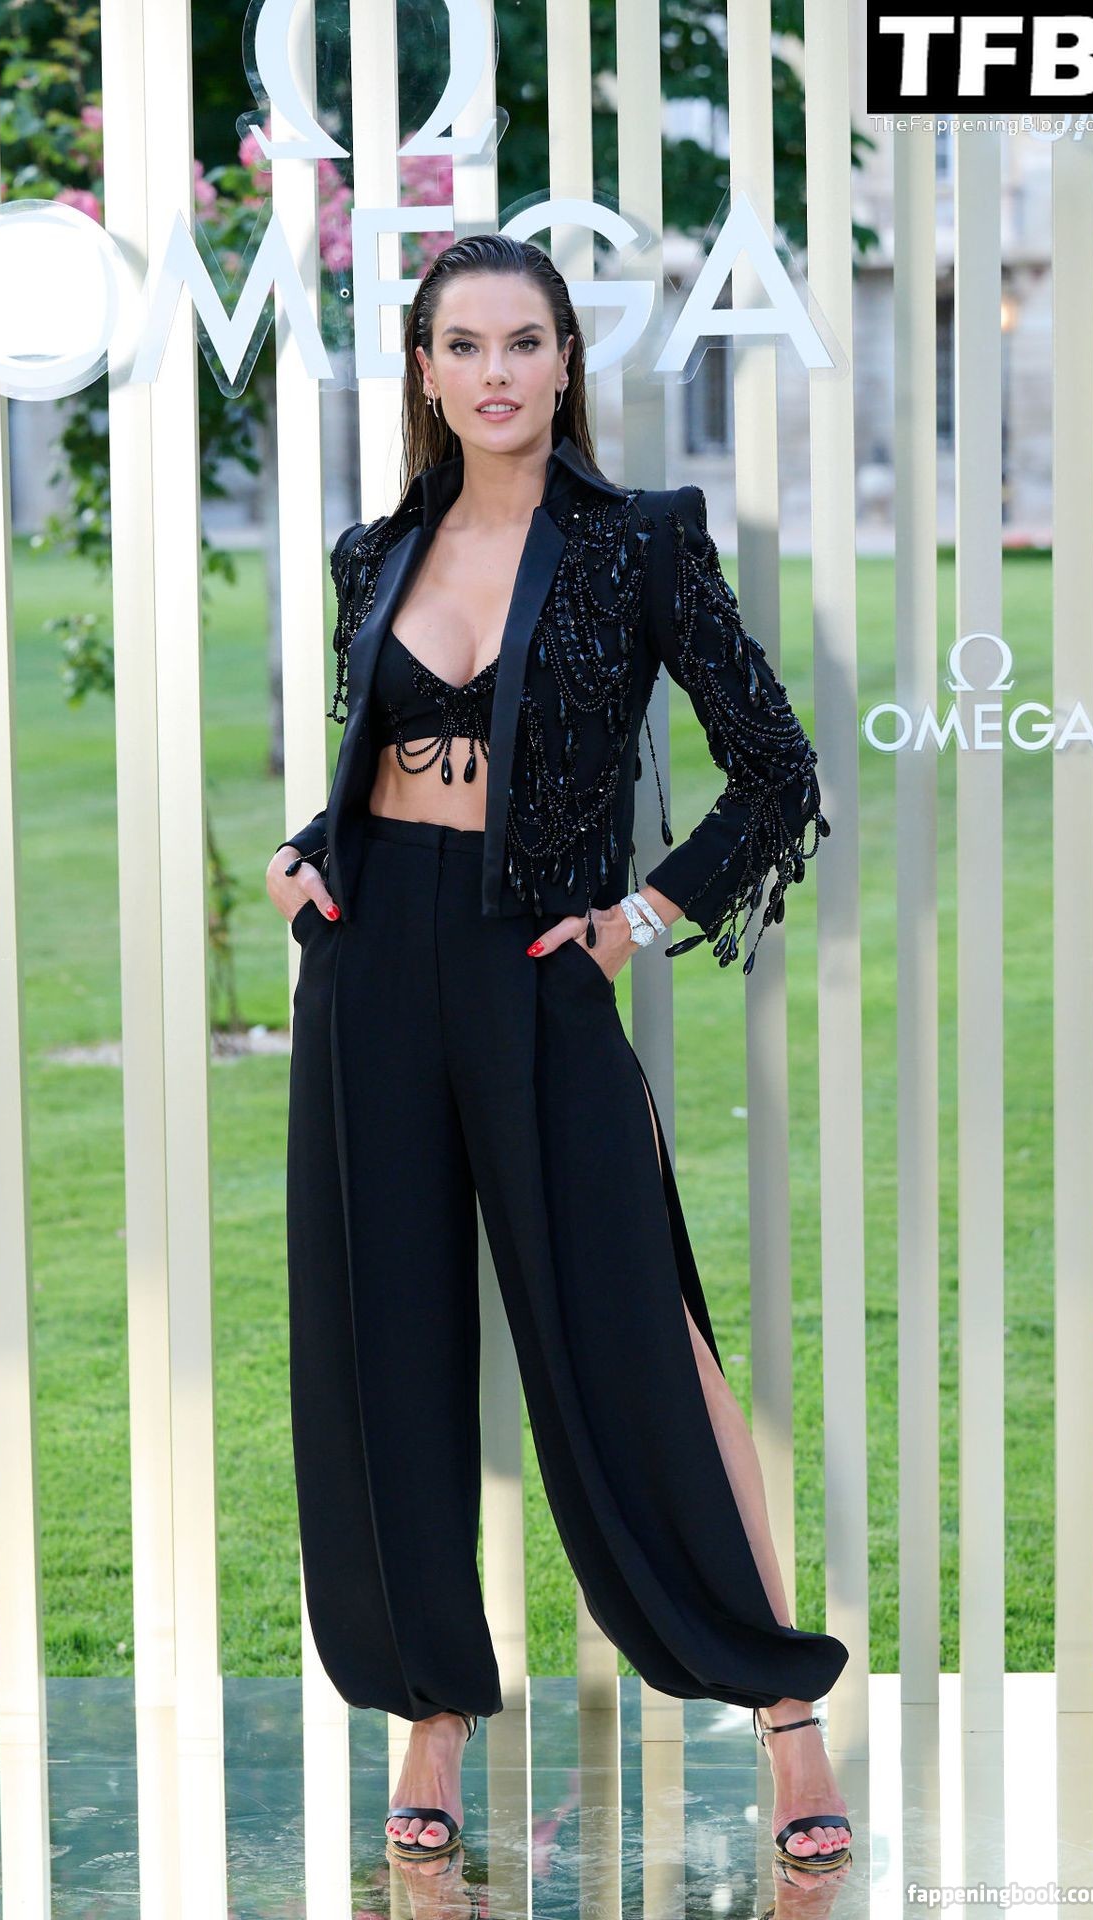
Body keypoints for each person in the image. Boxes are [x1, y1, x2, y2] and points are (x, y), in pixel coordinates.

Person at [265, 234, 852, 1878]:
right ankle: (432, 1711)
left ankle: (783, 1706)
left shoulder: (635, 542)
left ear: (566, 360)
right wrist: (310, 855)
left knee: (638, 1336)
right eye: (463, 346)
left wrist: (642, 917)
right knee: (384, 1343)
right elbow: (386, 758)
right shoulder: (376, 550)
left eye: (523, 341)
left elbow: (774, 768)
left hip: (537, 966)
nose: (496, 373)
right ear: (424, 372)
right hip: (372, 966)